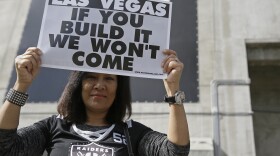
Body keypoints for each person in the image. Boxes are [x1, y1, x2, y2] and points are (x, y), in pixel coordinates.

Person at [0, 47, 190, 156]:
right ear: (77, 85)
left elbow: (175, 152)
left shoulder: (132, 133)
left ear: (118, 89)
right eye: (91, 77)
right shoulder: (53, 127)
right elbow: (5, 146)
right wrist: (21, 84)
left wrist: (173, 91)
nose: (99, 85)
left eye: (109, 78)